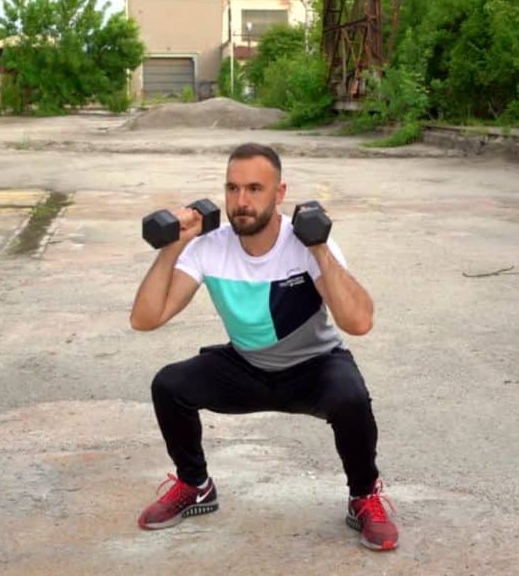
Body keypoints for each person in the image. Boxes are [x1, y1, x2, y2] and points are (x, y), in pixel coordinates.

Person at [129, 142, 398, 551]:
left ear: (280, 193)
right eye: (232, 188)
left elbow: (359, 322)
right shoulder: (209, 246)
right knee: (169, 385)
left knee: (351, 397)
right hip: (246, 367)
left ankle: (363, 496)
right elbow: (145, 319)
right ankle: (196, 486)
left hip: (313, 365)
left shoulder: (305, 242)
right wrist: (174, 246)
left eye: (255, 189)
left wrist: (319, 249)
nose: (242, 201)